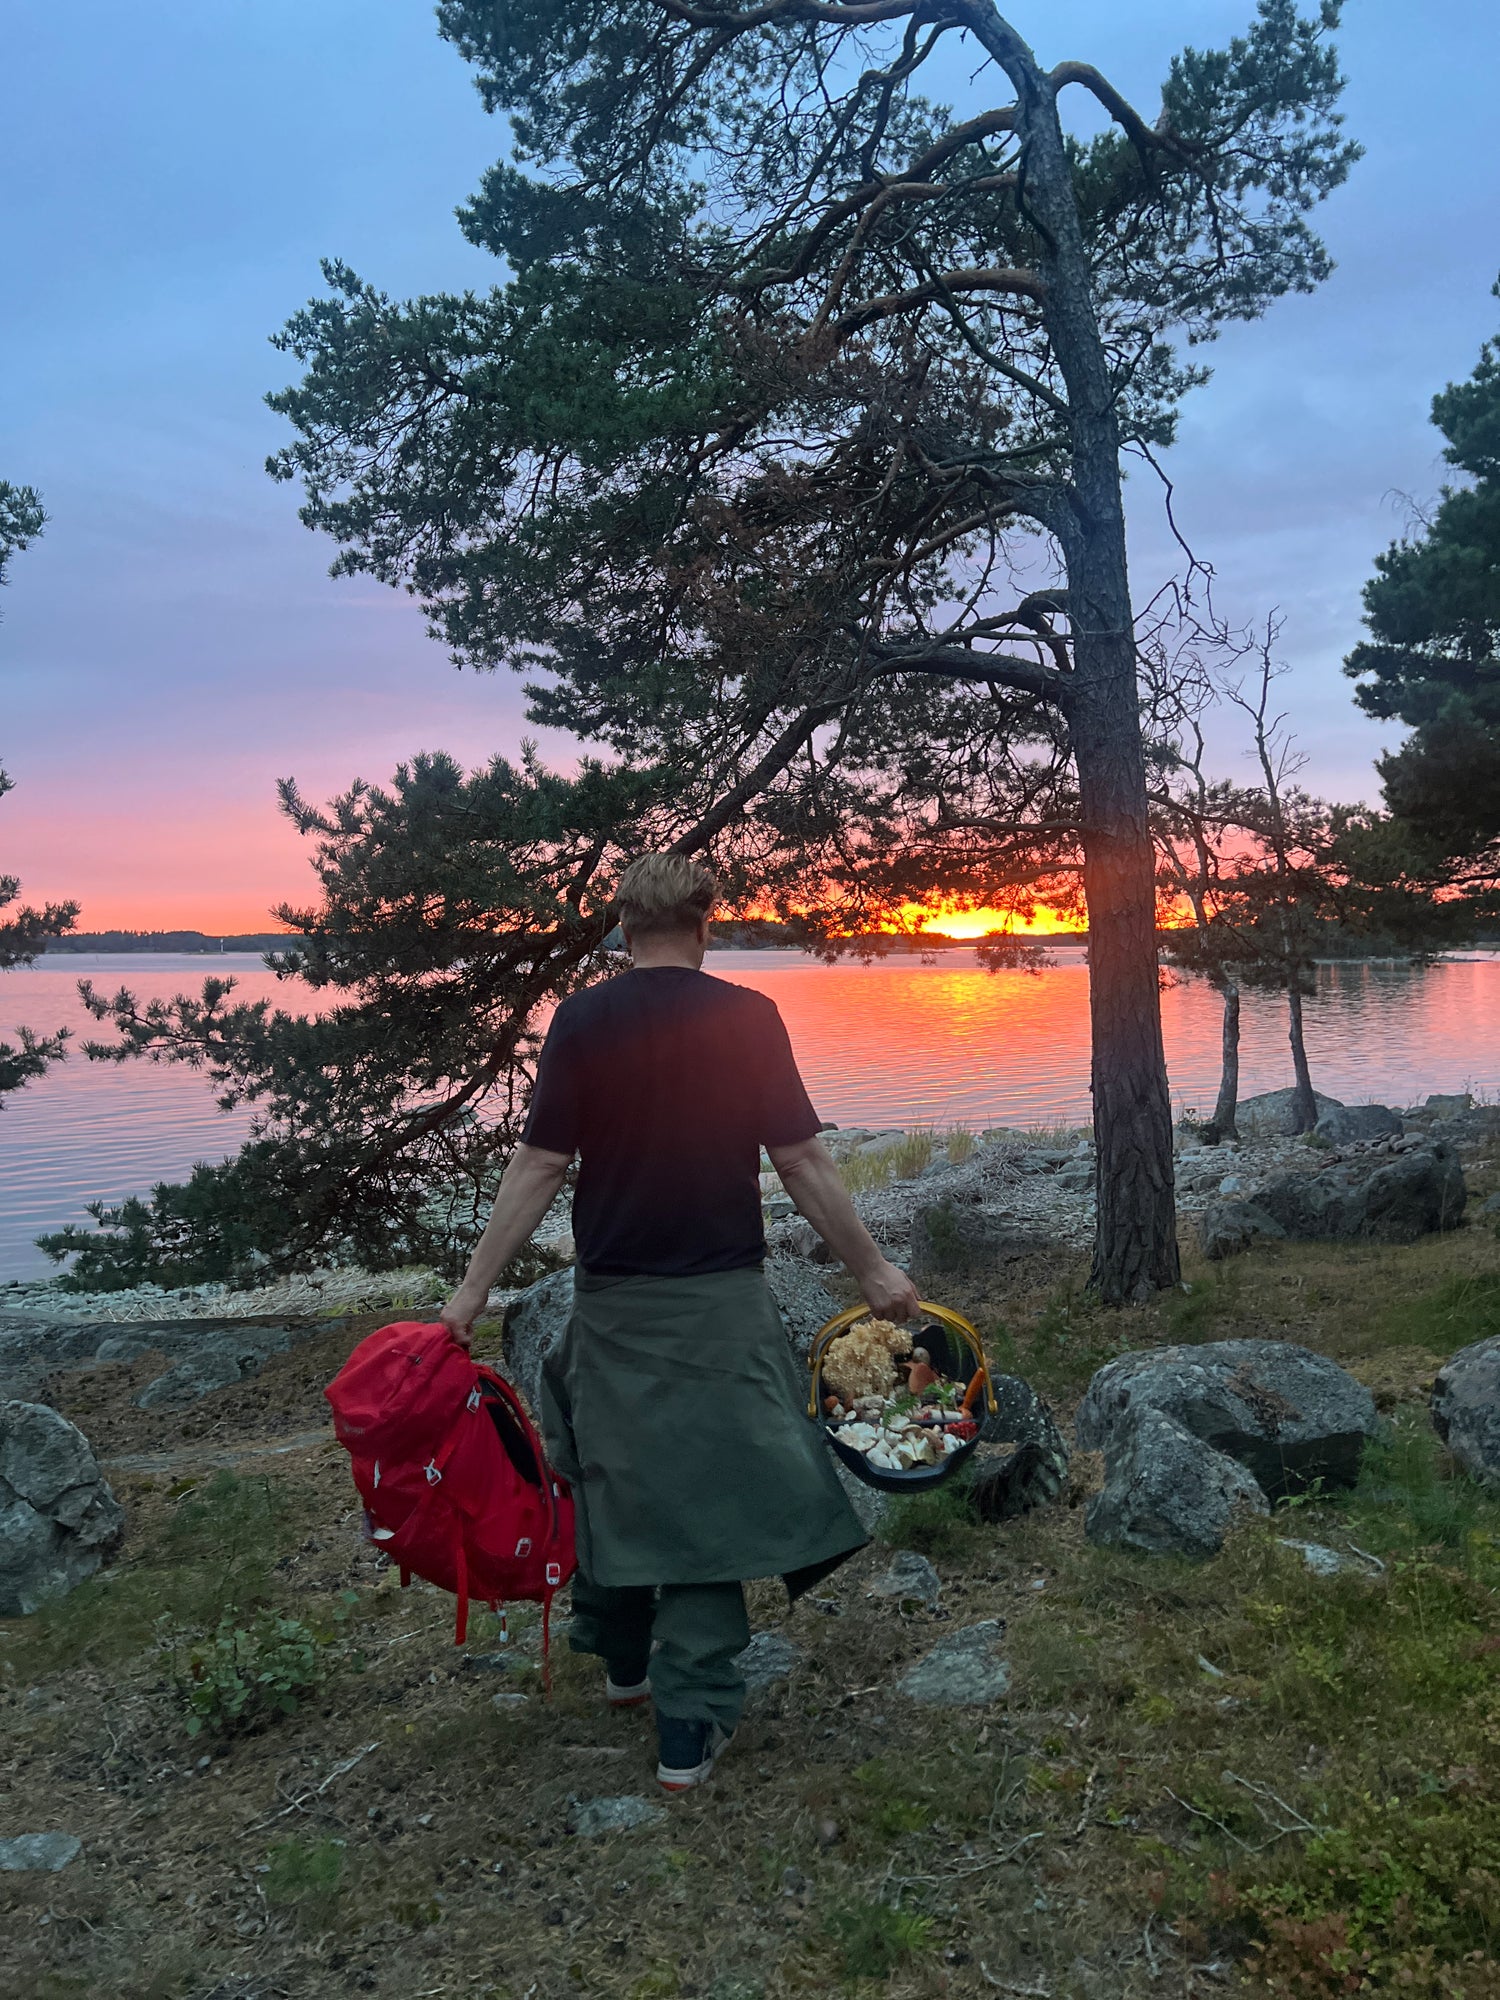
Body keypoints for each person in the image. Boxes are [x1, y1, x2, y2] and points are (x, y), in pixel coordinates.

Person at [441, 855, 920, 1792]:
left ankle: (621, 1657)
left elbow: (537, 1168)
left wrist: (468, 1298)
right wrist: (873, 1270)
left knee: (613, 1471)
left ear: (622, 926)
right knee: (708, 1494)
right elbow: (802, 1162)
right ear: (707, 923)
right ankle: (687, 1722)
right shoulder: (747, 1017)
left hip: (611, 1299)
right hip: (718, 1301)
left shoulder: (581, 1018)